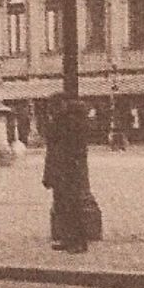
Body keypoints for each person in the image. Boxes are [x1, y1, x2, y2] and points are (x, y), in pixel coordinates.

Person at [43, 94, 90, 254]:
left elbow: (69, 148)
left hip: (68, 170)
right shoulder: (60, 122)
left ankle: (78, 241)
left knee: (72, 206)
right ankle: (68, 238)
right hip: (60, 169)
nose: (51, 110)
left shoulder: (70, 123)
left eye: (53, 107)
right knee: (62, 206)